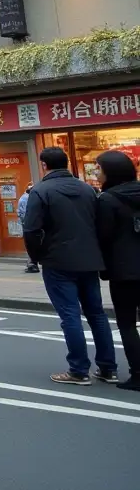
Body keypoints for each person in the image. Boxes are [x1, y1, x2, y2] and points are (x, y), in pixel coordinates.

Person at [23, 146, 117, 385]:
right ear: (66, 163)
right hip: (89, 259)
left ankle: (78, 369)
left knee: (70, 315)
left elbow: (31, 230)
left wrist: (37, 256)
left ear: (44, 165)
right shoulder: (87, 189)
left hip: (58, 260)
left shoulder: (41, 191)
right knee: (97, 313)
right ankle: (108, 367)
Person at [95, 150, 140, 392]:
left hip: (124, 270)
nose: (96, 174)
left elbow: (104, 235)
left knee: (127, 323)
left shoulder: (108, 200)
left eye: (98, 169)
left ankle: (138, 373)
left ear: (110, 172)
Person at [17, 183, 40, 273]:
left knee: (30, 243)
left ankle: (32, 263)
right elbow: (24, 213)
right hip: (30, 225)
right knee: (31, 243)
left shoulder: (24, 198)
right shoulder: (26, 198)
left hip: (28, 224)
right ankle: (32, 263)